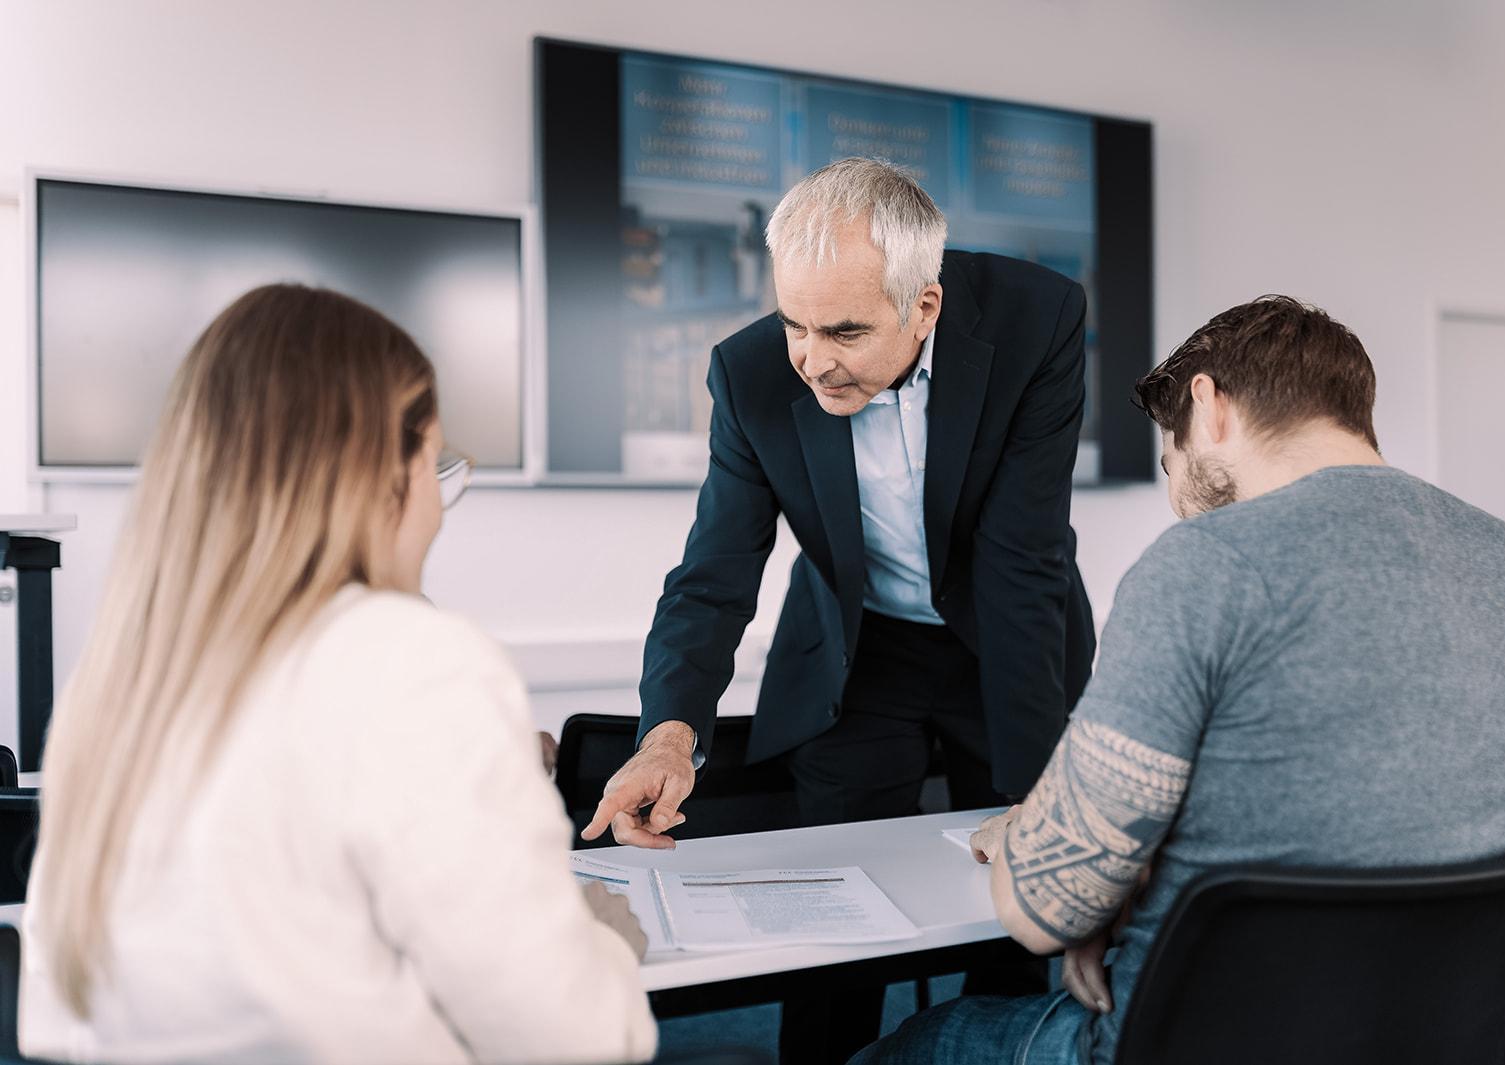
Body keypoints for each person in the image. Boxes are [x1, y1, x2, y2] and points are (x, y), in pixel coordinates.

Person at [849, 295, 1505, 1065]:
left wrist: (1033, 839)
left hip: (1198, 1038)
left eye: (1171, 463)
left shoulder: (1210, 563)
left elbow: (1044, 911)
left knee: (899, 1047)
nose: (1178, 501)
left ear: (1208, 403)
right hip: (1447, 1036)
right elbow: (1394, 809)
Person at [20, 285, 657, 1064]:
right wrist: (610, 950)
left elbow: (53, 1018)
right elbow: (574, 1037)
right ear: (375, 473)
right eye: (435, 463)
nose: (438, 506)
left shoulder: (116, 679)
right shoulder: (412, 659)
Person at [584, 157, 1097, 1060]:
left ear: (924, 306)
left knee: (1014, 912)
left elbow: (1023, 562)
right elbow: (714, 573)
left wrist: (1032, 793)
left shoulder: (1037, 320)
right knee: (829, 913)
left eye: (847, 331)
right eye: (795, 323)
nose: (813, 360)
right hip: (857, 656)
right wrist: (667, 732)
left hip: (1009, 641)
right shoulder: (748, 374)